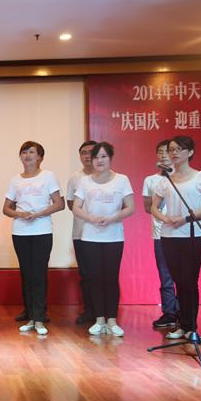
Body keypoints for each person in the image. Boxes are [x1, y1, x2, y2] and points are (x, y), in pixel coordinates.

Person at [151, 135, 201, 340]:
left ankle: (191, 328)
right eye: (171, 149)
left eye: (179, 149)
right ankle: (182, 326)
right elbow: (153, 207)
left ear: (190, 152)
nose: (174, 153)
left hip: (192, 235)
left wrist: (186, 218)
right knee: (178, 281)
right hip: (169, 236)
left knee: (189, 282)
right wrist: (165, 218)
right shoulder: (165, 180)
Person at [73, 142, 134, 337]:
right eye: (96, 157)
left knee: (111, 278)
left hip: (114, 236)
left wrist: (112, 218)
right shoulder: (85, 181)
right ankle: (99, 320)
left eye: (103, 156)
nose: (99, 160)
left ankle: (112, 320)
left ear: (110, 158)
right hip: (90, 236)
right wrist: (91, 218)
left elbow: (130, 207)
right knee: (95, 278)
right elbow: (76, 207)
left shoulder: (122, 180)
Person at [3, 141, 64, 335]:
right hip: (20, 232)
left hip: (41, 231)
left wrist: (38, 214)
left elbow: (59, 204)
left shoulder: (48, 176)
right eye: (24, 152)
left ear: (40, 157)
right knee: (26, 274)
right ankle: (30, 314)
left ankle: (39, 317)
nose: (27, 155)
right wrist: (19, 214)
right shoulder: (15, 180)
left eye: (31, 152)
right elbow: (6, 208)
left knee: (38, 274)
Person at [142, 140, 179, 329]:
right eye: (160, 152)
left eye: (167, 151)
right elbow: (147, 207)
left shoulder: (182, 178)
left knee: (183, 276)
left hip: (182, 233)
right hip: (160, 234)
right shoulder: (150, 180)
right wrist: (161, 207)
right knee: (165, 276)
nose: (163, 155)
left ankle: (183, 313)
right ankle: (169, 313)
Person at [65, 140, 97, 325]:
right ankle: (89, 310)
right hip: (81, 233)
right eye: (84, 152)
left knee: (103, 274)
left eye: (91, 152)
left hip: (104, 234)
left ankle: (105, 312)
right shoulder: (75, 178)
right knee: (86, 274)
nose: (87, 156)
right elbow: (71, 204)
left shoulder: (111, 177)